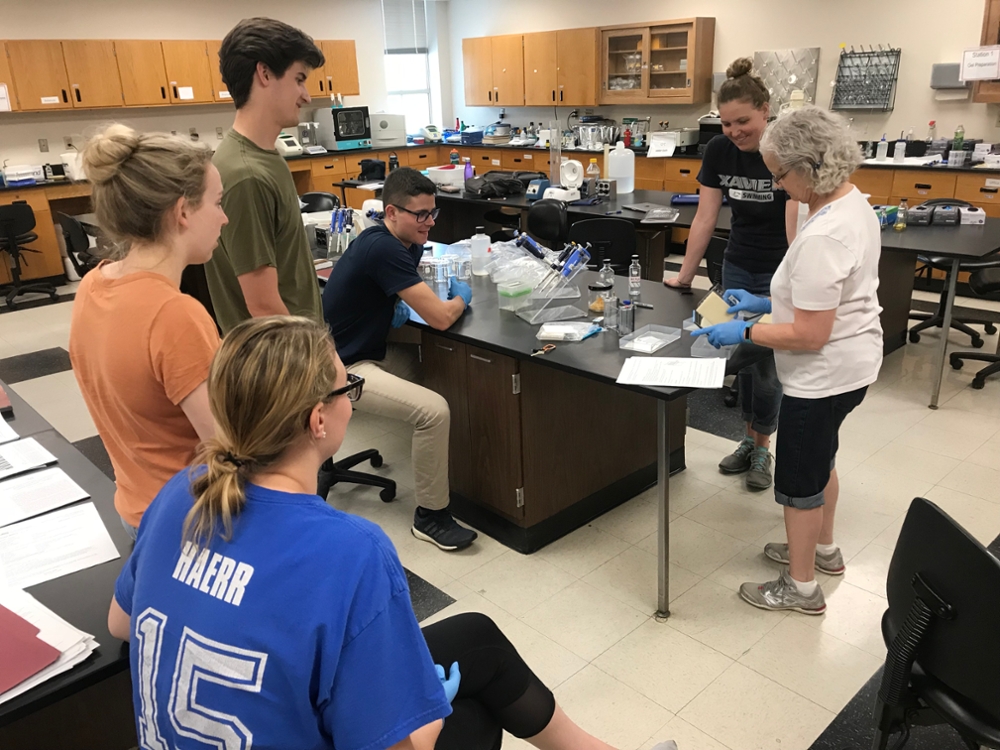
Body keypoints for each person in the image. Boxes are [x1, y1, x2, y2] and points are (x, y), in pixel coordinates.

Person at [106, 315, 671, 750]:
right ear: (318, 420)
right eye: (345, 387)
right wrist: (426, 710)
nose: (351, 397)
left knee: (475, 637)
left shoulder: (185, 489)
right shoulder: (348, 550)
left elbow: (120, 622)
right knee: (471, 718)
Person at [693, 105, 882, 614]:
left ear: (808, 165)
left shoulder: (822, 234)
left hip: (822, 375)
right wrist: (763, 302)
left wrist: (747, 328)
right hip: (854, 362)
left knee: (798, 480)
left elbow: (809, 332)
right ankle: (824, 550)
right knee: (823, 458)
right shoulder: (852, 204)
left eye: (779, 174)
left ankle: (800, 589)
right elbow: (826, 299)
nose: (777, 186)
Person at [69, 125, 224, 538]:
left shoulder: (93, 285)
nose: (225, 218)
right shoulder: (175, 315)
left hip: (136, 507)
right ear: (183, 212)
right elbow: (230, 447)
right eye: (218, 203)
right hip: (190, 521)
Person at [322, 168, 477, 552]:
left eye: (433, 213)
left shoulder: (405, 243)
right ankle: (431, 516)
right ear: (392, 212)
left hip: (366, 351)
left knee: (442, 369)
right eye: (420, 214)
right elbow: (441, 317)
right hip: (340, 369)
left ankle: (460, 472)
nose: (429, 223)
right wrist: (461, 299)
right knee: (434, 410)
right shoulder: (385, 247)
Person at [665, 57, 800, 492]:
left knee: (770, 371)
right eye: (725, 123)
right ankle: (747, 440)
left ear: (766, 109)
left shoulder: (784, 150)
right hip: (738, 265)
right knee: (739, 362)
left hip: (780, 270)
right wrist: (685, 276)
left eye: (743, 121)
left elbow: (796, 225)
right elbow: (705, 217)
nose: (734, 131)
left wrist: (792, 285)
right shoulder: (720, 151)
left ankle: (763, 448)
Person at [203, 17, 325, 334]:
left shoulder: (264, 157)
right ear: (265, 73)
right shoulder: (245, 174)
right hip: (282, 362)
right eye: (299, 79)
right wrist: (322, 358)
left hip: (294, 351)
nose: (306, 95)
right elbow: (264, 307)